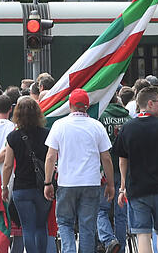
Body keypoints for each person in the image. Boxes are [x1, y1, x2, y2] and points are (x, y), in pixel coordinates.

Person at [44, 88, 114, 253]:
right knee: (87, 226)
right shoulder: (97, 126)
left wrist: (48, 182)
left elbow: (50, 157)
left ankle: (68, 251)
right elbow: (106, 158)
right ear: (87, 106)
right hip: (91, 182)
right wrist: (110, 184)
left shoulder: (59, 125)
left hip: (66, 183)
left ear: (70, 105)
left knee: (65, 223)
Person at [115, 86, 158, 253]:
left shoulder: (128, 127)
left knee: (143, 234)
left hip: (137, 189)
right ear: (150, 103)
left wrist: (123, 187)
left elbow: (122, 160)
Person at [1, 97, 51, 253]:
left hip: (21, 188)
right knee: (41, 226)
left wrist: (4, 186)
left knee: (27, 228)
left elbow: (8, 165)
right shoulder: (47, 134)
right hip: (42, 186)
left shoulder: (13, 137)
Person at [97, 94, 131, 253]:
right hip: (125, 170)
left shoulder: (101, 117)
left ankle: (109, 240)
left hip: (106, 169)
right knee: (121, 213)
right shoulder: (129, 118)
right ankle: (120, 249)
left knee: (101, 210)